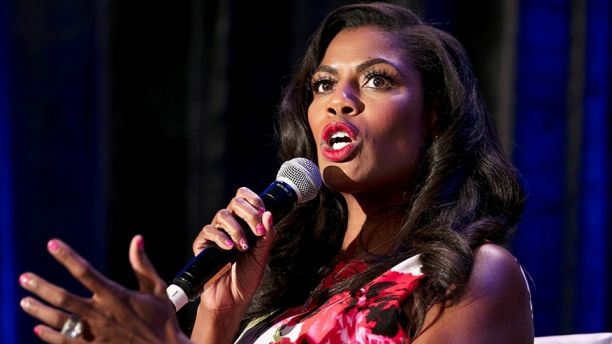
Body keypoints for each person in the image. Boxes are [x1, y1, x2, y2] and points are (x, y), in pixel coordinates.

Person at [18, 2, 534, 343]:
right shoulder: (293, 285)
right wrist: (218, 314)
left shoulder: (472, 276)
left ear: (435, 116)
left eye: (377, 80)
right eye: (323, 85)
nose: (339, 101)